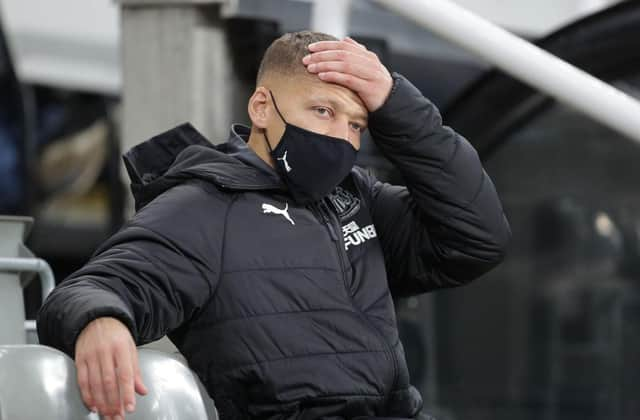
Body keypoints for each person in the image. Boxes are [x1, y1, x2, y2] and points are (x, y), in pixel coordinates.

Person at [37, 31, 511, 420]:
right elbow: (97, 284)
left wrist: (395, 103)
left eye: (357, 125)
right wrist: (99, 319)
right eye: (323, 112)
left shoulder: (356, 197)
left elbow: (476, 237)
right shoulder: (203, 205)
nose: (340, 138)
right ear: (262, 108)